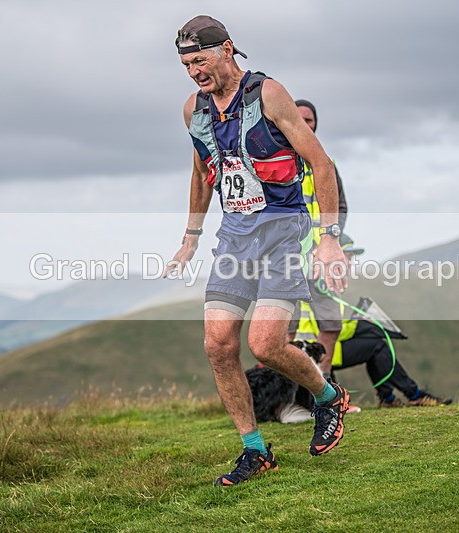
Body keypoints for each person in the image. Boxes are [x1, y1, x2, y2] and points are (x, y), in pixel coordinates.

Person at [164, 15, 350, 487]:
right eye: (186, 64)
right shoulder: (194, 109)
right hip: (234, 237)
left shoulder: (268, 94)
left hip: (283, 232)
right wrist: (190, 237)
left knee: (265, 345)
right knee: (217, 345)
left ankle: (328, 397)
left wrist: (329, 238)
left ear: (227, 49)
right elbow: (201, 172)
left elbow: (321, 162)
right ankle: (255, 450)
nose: (194, 72)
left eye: (200, 60)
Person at [286, 99, 349, 378]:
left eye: (309, 120)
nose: (304, 124)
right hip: (286, 259)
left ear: (316, 124)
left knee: (332, 323)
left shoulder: (327, 164)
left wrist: (330, 242)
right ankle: (288, 392)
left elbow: (341, 207)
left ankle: (323, 388)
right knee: (285, 327)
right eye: (298, 119)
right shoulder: (275, 161)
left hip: (321, 260)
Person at [295, 301, 453, 407]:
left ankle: (391, 398)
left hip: (312, 353)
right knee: (377, 346)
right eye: (348, 256)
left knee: (375, 345)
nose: (348, 262)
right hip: (320, 355)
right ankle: (411, 395)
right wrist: (359, 322)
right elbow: (329, 332)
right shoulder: (321, 289)